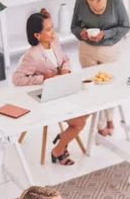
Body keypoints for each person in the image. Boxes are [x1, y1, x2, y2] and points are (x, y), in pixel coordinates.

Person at [12, 9, 88, 166]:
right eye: (48, 30)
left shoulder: (54, 42)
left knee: (91, 107)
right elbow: (17, 79)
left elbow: (64, 59)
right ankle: (58, 150)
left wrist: (65, 71)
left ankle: (64, 137)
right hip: (50, 98)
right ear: (37, 35)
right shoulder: (32, 55)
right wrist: (43, 78)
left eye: (52, 27)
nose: (53, 33)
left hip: (63, 88)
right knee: (80, 123)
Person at [71, 0, 130, 136]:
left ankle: (110, 118)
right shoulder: (80, 2)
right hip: (86, 51)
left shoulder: (114, 0)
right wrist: (81, 33)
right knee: (92, 90)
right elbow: (74, 26)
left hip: (109, 50)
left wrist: (105, 34)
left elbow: (125, 27)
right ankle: (100, 124)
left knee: (109, 87)